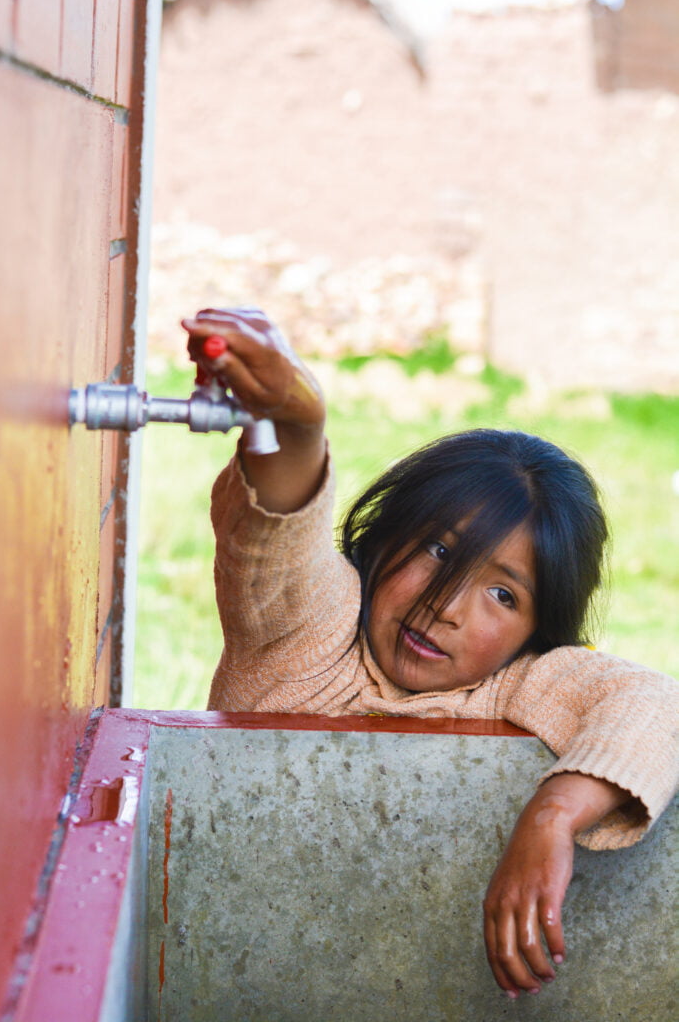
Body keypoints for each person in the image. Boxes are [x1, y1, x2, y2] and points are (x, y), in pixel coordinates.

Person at [182, 306, 678, 1001]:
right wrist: (296, 423)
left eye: (502, 596)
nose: (444, 606)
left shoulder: (518, 682)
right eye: (438, 549)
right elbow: (276, 527)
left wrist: (551, 814)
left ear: (537, 629)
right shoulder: (305, 627)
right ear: (385, 532)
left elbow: (657, 703)